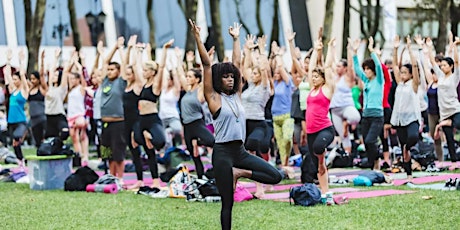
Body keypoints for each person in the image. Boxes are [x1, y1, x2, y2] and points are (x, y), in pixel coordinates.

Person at [190, 19, 282, 230]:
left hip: (240, 153)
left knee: (276, 176)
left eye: (232, 77)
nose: (230, 80)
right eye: (226, 77)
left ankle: (240, 173)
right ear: (218, 79)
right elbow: (206, 64)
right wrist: (197, 37)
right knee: (227, 204)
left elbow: (238, 63)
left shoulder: (238, 95)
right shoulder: (213, 98)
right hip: (222, 152)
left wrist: (236, 39)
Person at [134, 39, 174, 188]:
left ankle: (148, 135)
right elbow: (138, 67)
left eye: (146, 70)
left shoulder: (155, 86)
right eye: (143, 70)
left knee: (159, 142)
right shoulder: (143, 84)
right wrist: (140, 52)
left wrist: (164, 49)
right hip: (141, 119)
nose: (143, 72)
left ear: (152, 72)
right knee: (148, 151)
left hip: (152, 119)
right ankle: (155, 181)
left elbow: (161, 67)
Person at [241, 34, 273, 197]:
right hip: (245, 123)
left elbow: (264, 69)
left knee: (253, 145)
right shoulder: (250, 87)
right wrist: (247, 50)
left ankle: (265, 180)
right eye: (252, 74)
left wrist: (261, 50)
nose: (253, 75)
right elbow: (245, 68)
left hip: (259, 123)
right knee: (250, 155)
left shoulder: (264, 88)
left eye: (256, 73)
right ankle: (259, 187)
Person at [305, 38, 336, 194]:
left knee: (318, 149)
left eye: (318, 76)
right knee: (316, 164)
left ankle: (324, 162)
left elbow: (329, 67)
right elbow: (310, 69)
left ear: (323, 79)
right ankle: (325, 192)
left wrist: (329, 48)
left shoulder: (327, 89)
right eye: (314, 76)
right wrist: (316, 50)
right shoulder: (312, 89)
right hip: (310, 131)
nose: (314, 78)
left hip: (325, 129)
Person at [391, 36, 421, 179]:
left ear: (409, 74)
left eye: (404, 72)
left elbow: (415, 67)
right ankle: (409, 174)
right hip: (399, 119)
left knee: (413, 138)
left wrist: (410, 48)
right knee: (403, 146)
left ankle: (407, 148)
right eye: (401, 73)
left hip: (412, 117)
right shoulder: (399, 83)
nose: (402, 75)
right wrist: (396, 48)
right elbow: (395, 66)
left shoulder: (413, 84)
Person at [352, 37, 384, 170]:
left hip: (377, 116)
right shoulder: (366, 81)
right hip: (366, 115)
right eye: (365, 69)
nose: (365, 71)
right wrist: (354, 53)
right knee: (366, 142)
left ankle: (377, 160)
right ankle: (374, 161)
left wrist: (372, 52)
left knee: (371, 140)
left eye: (368, 69)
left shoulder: (379, 80)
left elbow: (378, 66)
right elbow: (357, 70)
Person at [428, 36, 460, 170]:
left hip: (455, 109)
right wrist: (429, 47)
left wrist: (455, 46)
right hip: (444, 112)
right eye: (441, 66)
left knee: (458, 125)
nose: (442, 67)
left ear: (450, 66)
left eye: (445, 65)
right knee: (449, 138)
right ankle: (454, 162)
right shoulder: (440, 77)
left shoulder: (455, 76)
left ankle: (446, 123)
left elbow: (457, 62)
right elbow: (432, 62)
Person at [99, 37, 128, 182]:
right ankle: (112, 177)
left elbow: (124, 64)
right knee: (108, 152)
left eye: (112, 69)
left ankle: (121, 178)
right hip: (105, 123)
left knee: (118, 152)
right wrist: (114, 47)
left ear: (118, 71)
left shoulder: (121, 82)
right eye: (108, 70)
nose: (109, 72)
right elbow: (104, 62)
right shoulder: (105, 81)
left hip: (118, 123)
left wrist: (120, 49)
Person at [122, 35, 146, 189]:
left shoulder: (137, 86)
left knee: (137, 142)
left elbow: (137, 70)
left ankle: (152, 162)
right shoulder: (125, 86)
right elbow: (125, 66)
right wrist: (128, 48)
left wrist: (138, 53)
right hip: (126, 121)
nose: (128, 75)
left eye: (131, 74)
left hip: (137, 120)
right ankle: (139, 179)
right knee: (132, 149)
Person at [3, 49, 29, 168]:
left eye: (15, 79)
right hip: (11, 121)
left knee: (16, 137)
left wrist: (21, 60)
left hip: (20, 122)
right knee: (14, 144)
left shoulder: (24, 91)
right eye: (12, 80)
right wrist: (8, 60)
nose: (13, 81)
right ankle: (21, 161)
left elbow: (23, 74)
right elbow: (7, 74)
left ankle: (21, 159)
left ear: (19, 81)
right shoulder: (12, 91)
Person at [28, 50, 47, 148]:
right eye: (31, 79)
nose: (32, 81)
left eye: (34, 79)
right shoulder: (30, 89)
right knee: (37, 140)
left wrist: (42, 60)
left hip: (42, 117)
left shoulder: (42, 88)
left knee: (45, 138)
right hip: (33, 118)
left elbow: (42, 74)